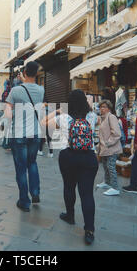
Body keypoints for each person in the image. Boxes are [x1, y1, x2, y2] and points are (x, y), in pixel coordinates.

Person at [41, 89, 99, 245]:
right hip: (89, 157)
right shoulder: (92, 116)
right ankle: (89, 230)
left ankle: (70, 216)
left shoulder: (64, 117)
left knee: (69, 187)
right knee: (87, 194)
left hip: (69, 156)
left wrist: (58, 111)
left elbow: (43, 123)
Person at [5, 61, 44, 212]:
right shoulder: (41, 90)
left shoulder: (15, 91)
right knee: (32, 163)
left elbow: (8, 114)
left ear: (24, 73)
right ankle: (35, 192)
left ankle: (24, 201)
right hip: (35, 133)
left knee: (21, 169)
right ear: (36, 74)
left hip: (19, 134)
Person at [97, 100, 123, 196]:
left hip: (111, 148)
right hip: (104, 148)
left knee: (111, 167)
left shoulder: (111, 117)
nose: (101, 109)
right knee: (105, 166)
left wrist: (108, 143)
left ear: (109, 108)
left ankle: (115, 188)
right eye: (100, 107)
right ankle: (107, 182)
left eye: (103, 107)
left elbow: (116, 133)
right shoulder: (103, 118)